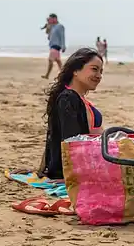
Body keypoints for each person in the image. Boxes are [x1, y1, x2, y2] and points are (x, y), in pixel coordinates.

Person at [40, 48, 105, 179]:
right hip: (78, 169)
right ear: (75, 70)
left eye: (101, 71)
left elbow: (53, 134)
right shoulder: (68, 98)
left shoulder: (75, 98)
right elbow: (70, 141)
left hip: (89, 160)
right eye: (94, 69)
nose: (99, 75)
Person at [42, 14, 66, 79]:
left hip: (56, 45)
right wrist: (48, 25)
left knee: (50, 60)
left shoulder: (60, 26)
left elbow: (62, 36)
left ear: (55, 18)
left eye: (50, 19)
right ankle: (63, 74)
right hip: (52, 45)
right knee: (58, 61)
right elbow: (48, 35)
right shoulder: (52, 27)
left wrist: (63, 46)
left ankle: (47, 75)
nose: (49, 20)